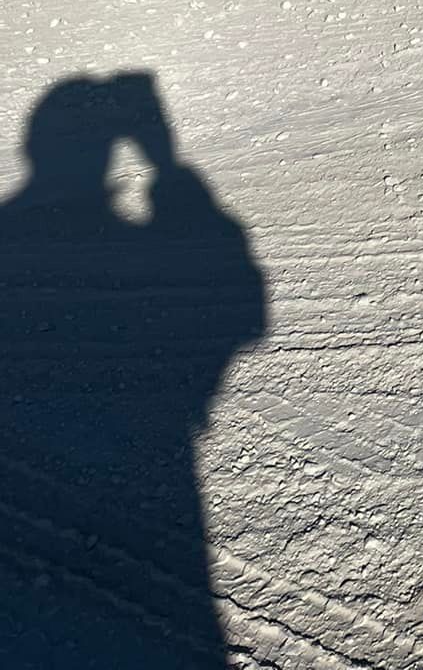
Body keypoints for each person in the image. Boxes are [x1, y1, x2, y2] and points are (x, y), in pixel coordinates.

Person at [0, 73, 266, 666]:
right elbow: (243, 311)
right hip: (148, 458)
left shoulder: (10, 233)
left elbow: (242, 313)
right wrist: (173, 184)